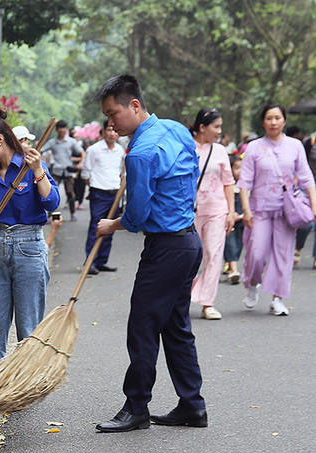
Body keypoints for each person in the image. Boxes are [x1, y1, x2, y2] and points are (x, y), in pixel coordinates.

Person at [93, 74, 207, 432]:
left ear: (135, 105)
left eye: (113, 114)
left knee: (142, 325)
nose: (110, 123)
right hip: (189, 242)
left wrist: (112, 225)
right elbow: (190, 174)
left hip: (167, 247)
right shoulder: (175, 129)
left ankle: (136, 407)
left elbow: (138, 215)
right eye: (107, 116)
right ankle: (192, 406)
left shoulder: (140, 153)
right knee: (175, 326)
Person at [0, 108, 60, 411]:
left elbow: (51, 201)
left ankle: (24, 388)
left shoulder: (31, 164)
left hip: (29, 248)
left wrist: (38, 172)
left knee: (28, 326)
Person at [238, 104, 316, 315]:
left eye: (277, 118)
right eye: (269, 118)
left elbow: (305, 176)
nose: (273, 122)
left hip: (287, 211)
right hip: (260, 211)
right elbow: (245, 182)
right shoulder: (254, 147)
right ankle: (253, 282)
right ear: (263, 121)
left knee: (283, 256)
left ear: (283, 120)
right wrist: (246, 211)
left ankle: (277, 299)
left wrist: (315, 205)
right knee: (256, 254)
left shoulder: (295, 146)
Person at [189, 108, 237, 320]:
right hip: (189, 212)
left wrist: (231, 212)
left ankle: (208, 303)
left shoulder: (220, 151)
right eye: (216, 126)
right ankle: (181, 297)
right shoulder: (186, 147)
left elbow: (228, 182)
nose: (219, 131)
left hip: (217, 210)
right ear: (202, 127)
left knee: (214, 255)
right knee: (189, 256)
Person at [80, 120, 124, 275]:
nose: (112, 133)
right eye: (108, 130)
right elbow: (86, 172)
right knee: (96, 227)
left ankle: (102, 261)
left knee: (111, 227)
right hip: (99, 193)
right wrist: (92, 186)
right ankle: (90, 261)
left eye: (114, 130)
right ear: (103, 132)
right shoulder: (94, 150)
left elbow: (120, 171)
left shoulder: (119, 150)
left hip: (115, 193)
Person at [41, 120, 83, 221]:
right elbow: (41, 150)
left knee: (70, 193)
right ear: (57, 130)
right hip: (56, 170)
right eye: (60, 129)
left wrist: (82, 163)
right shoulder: (52, 142)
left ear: (66, 129)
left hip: (68, 170)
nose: (62, 131)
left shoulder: (71, 142)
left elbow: (82, 152)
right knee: (51, 192)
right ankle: (49, 216)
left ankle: (73, 214)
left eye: (64, 129)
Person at [294, 129, 316, 270]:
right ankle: (298, 247)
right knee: (308, 223)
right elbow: (300, 166)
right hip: (308, 187)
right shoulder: (310, 143)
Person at [223, 155, 245, 283]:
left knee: (239, 244)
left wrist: (242, 215)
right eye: (237, 168)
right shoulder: (228, 186)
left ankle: (230, 267)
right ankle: (235, 270)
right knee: (230, 243)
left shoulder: (245, 187)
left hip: (242, 220)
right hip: (230, 219)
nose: (240, 171)